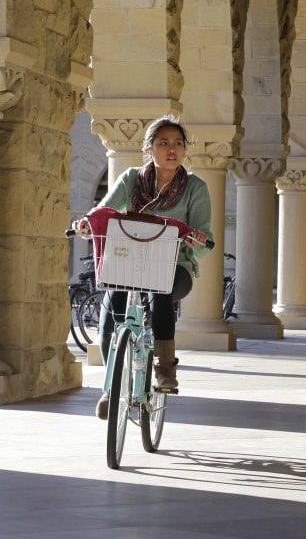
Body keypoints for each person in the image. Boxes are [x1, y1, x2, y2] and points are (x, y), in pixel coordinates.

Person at [72, 114, 213, 419]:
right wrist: (88, 221)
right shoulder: (131, 179)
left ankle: (164, 368)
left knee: (161, 290)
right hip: (129, 262)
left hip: (176, 266)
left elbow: (205, 235)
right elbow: (105, 209)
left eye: (178, 143)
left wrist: (198, 239)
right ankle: (110, 389)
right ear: (149, 148)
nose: (171, 149)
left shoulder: (195, 188)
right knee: (112, 308)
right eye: (163, 143)